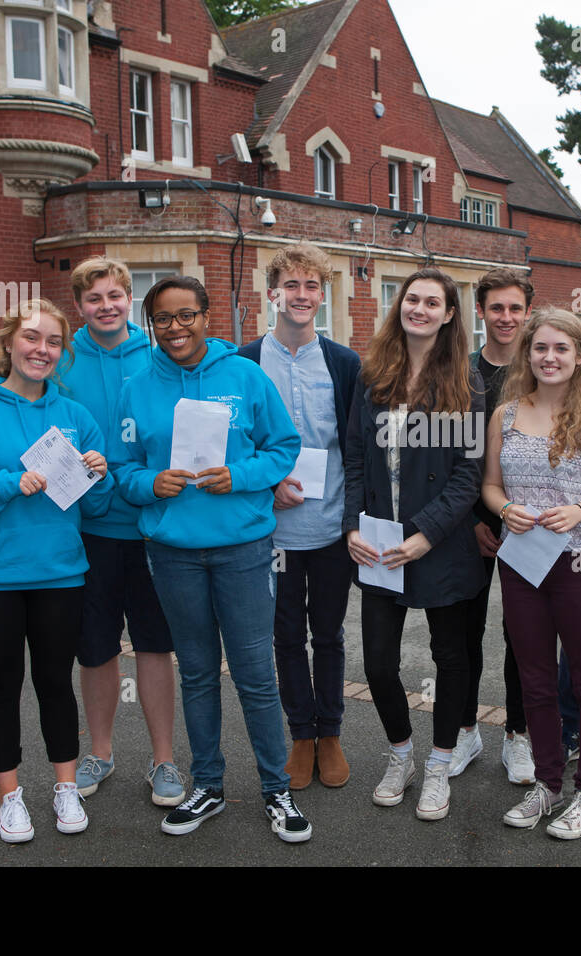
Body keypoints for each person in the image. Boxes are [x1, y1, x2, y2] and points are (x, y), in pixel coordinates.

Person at [114, 275, 313, 843]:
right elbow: (124, 469)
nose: (175, 328)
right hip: (173, 552)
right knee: (198, 673)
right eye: (163, 319)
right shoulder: (136, 387)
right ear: (150, 325)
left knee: (254, 673)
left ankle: (276, 790)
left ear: (206, 317)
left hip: (243, 548)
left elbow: (283, 447)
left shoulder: (244, 376)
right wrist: (153, 482)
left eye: (186, 315)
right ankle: (209, 787)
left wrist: (241, 475)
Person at [0, 299, 114, 843]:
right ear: (8, 343)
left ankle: (65, 787)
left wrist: (100, 476)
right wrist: (12, 482)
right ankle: (10, 798)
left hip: (59, 574)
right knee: (2, 686)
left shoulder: (75, 417)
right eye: (32, 338)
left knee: (55, 683)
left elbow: (95, 510)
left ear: (62, 353)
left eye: (53, 342)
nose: (42, 350)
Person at [481, 308, 581, 839]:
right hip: (522, 562)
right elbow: (490, 487)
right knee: (535, 679)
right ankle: (547, 784)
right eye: (540, 348)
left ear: (580, 356)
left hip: (580, 560)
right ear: (529, 355)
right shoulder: (505, 415)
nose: (549, 357)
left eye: (561, 349)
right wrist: (503, 510)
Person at [344, 267, 486, 821]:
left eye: (432, 302)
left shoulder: (466, 382)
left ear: (450, 315)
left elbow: (467, 475)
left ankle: (438, 766)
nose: (419, 309)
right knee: (378, 663)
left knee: (452, 659)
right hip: (377, 542)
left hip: (440, 545)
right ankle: (401, 754)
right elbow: (355, 457)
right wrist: (352, 525)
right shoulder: (372, 374)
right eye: (412, 299)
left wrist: (425, 534)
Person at [57, 257, 181, 808]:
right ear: (79, 306)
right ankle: (100, 752)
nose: (105, 306)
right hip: (88, 528)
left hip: (154, 526)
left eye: (114, 296)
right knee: (96, 649)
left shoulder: (159, 354)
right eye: (93, 299)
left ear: (129, 298)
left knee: (155, 646)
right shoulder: (62, 358)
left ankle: (164, 761)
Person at [239, 243, 361, 790]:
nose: (302, 295)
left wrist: (356, 519)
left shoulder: (344, 363)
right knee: (285, 635)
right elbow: (232, 447)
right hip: (271, 530)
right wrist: (266, 490)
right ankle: (301, 735)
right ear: (273, 294)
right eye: (292, 285)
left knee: (328, 634)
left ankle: (330, 731)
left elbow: (356, 450)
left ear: (323, 294)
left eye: (312, 286)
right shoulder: (243, 362)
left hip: (331, 525)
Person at [457, 268, 537, 785]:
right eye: (496, 308)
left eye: (514, 308)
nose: (505, 318)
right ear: (480, 311)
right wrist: (468, 522)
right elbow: (442, 458)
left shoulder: (545, 371)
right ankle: (465, 730)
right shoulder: (458, 374)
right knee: (463, 635)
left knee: (523, 637)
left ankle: (519, 735)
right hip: (466, 526)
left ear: (527, 312)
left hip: (531, 528)